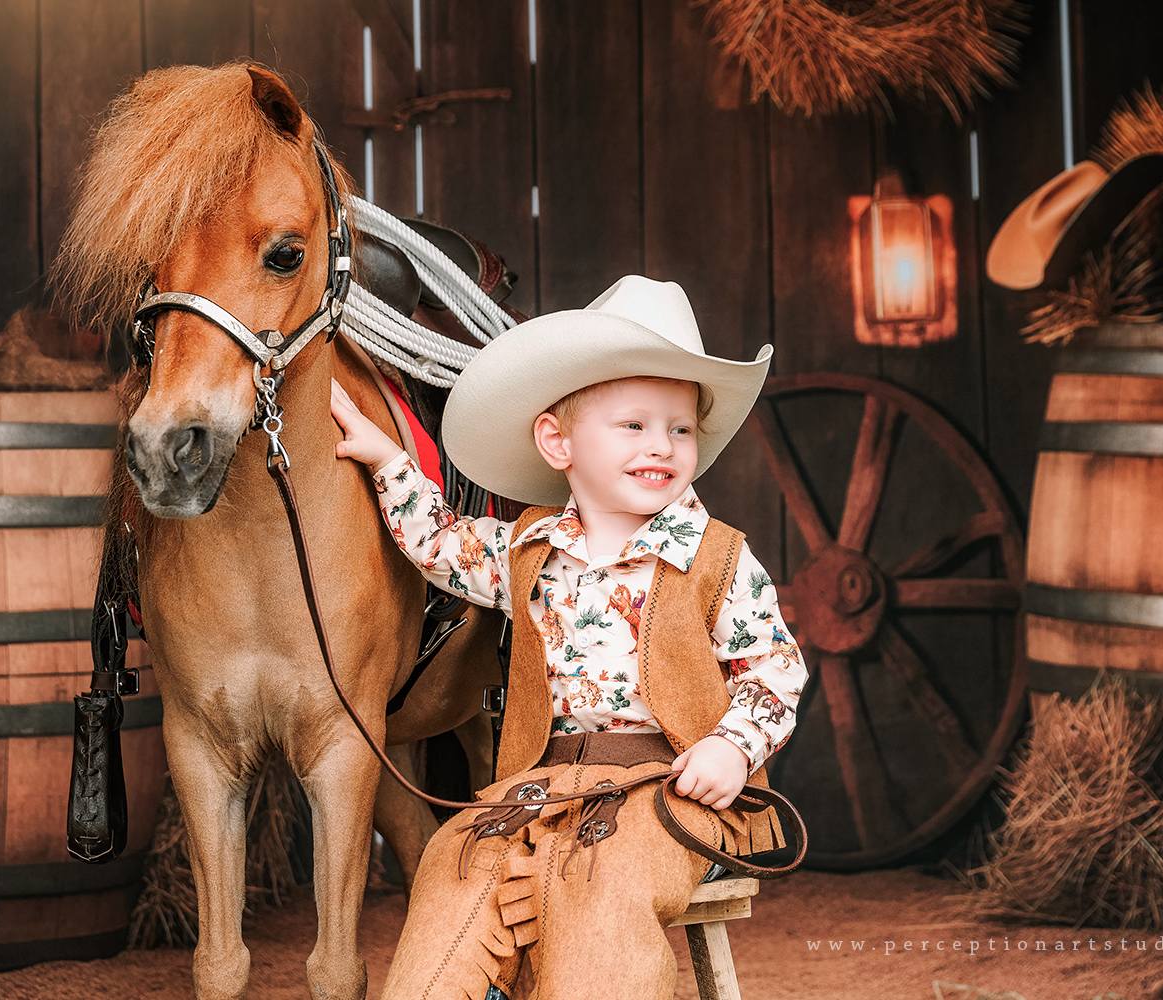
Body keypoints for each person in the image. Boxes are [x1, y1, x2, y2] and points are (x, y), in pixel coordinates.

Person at [329, 274, 806, 1000]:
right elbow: (442, 546)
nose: (663, 446)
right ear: (557, 441)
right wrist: (387, 461)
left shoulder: (714, 555)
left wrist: (731, 747)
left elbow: (774, 666)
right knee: (458, 857)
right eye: (635, 425)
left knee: (599, 879)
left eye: (680, 428)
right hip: (544, 783)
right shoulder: (529, 549)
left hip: (672, 786)